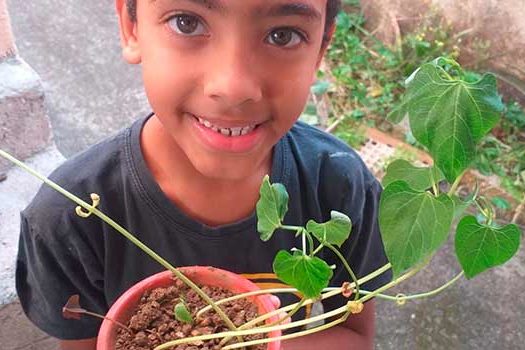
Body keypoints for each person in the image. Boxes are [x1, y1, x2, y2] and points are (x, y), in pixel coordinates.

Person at [16, 0, 392, 349]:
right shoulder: (69, 218)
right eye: (187, 22)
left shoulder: (341, 188)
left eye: (283, 34)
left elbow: (353, 333)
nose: (233, 87)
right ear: (131, 26)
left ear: (321, 50)